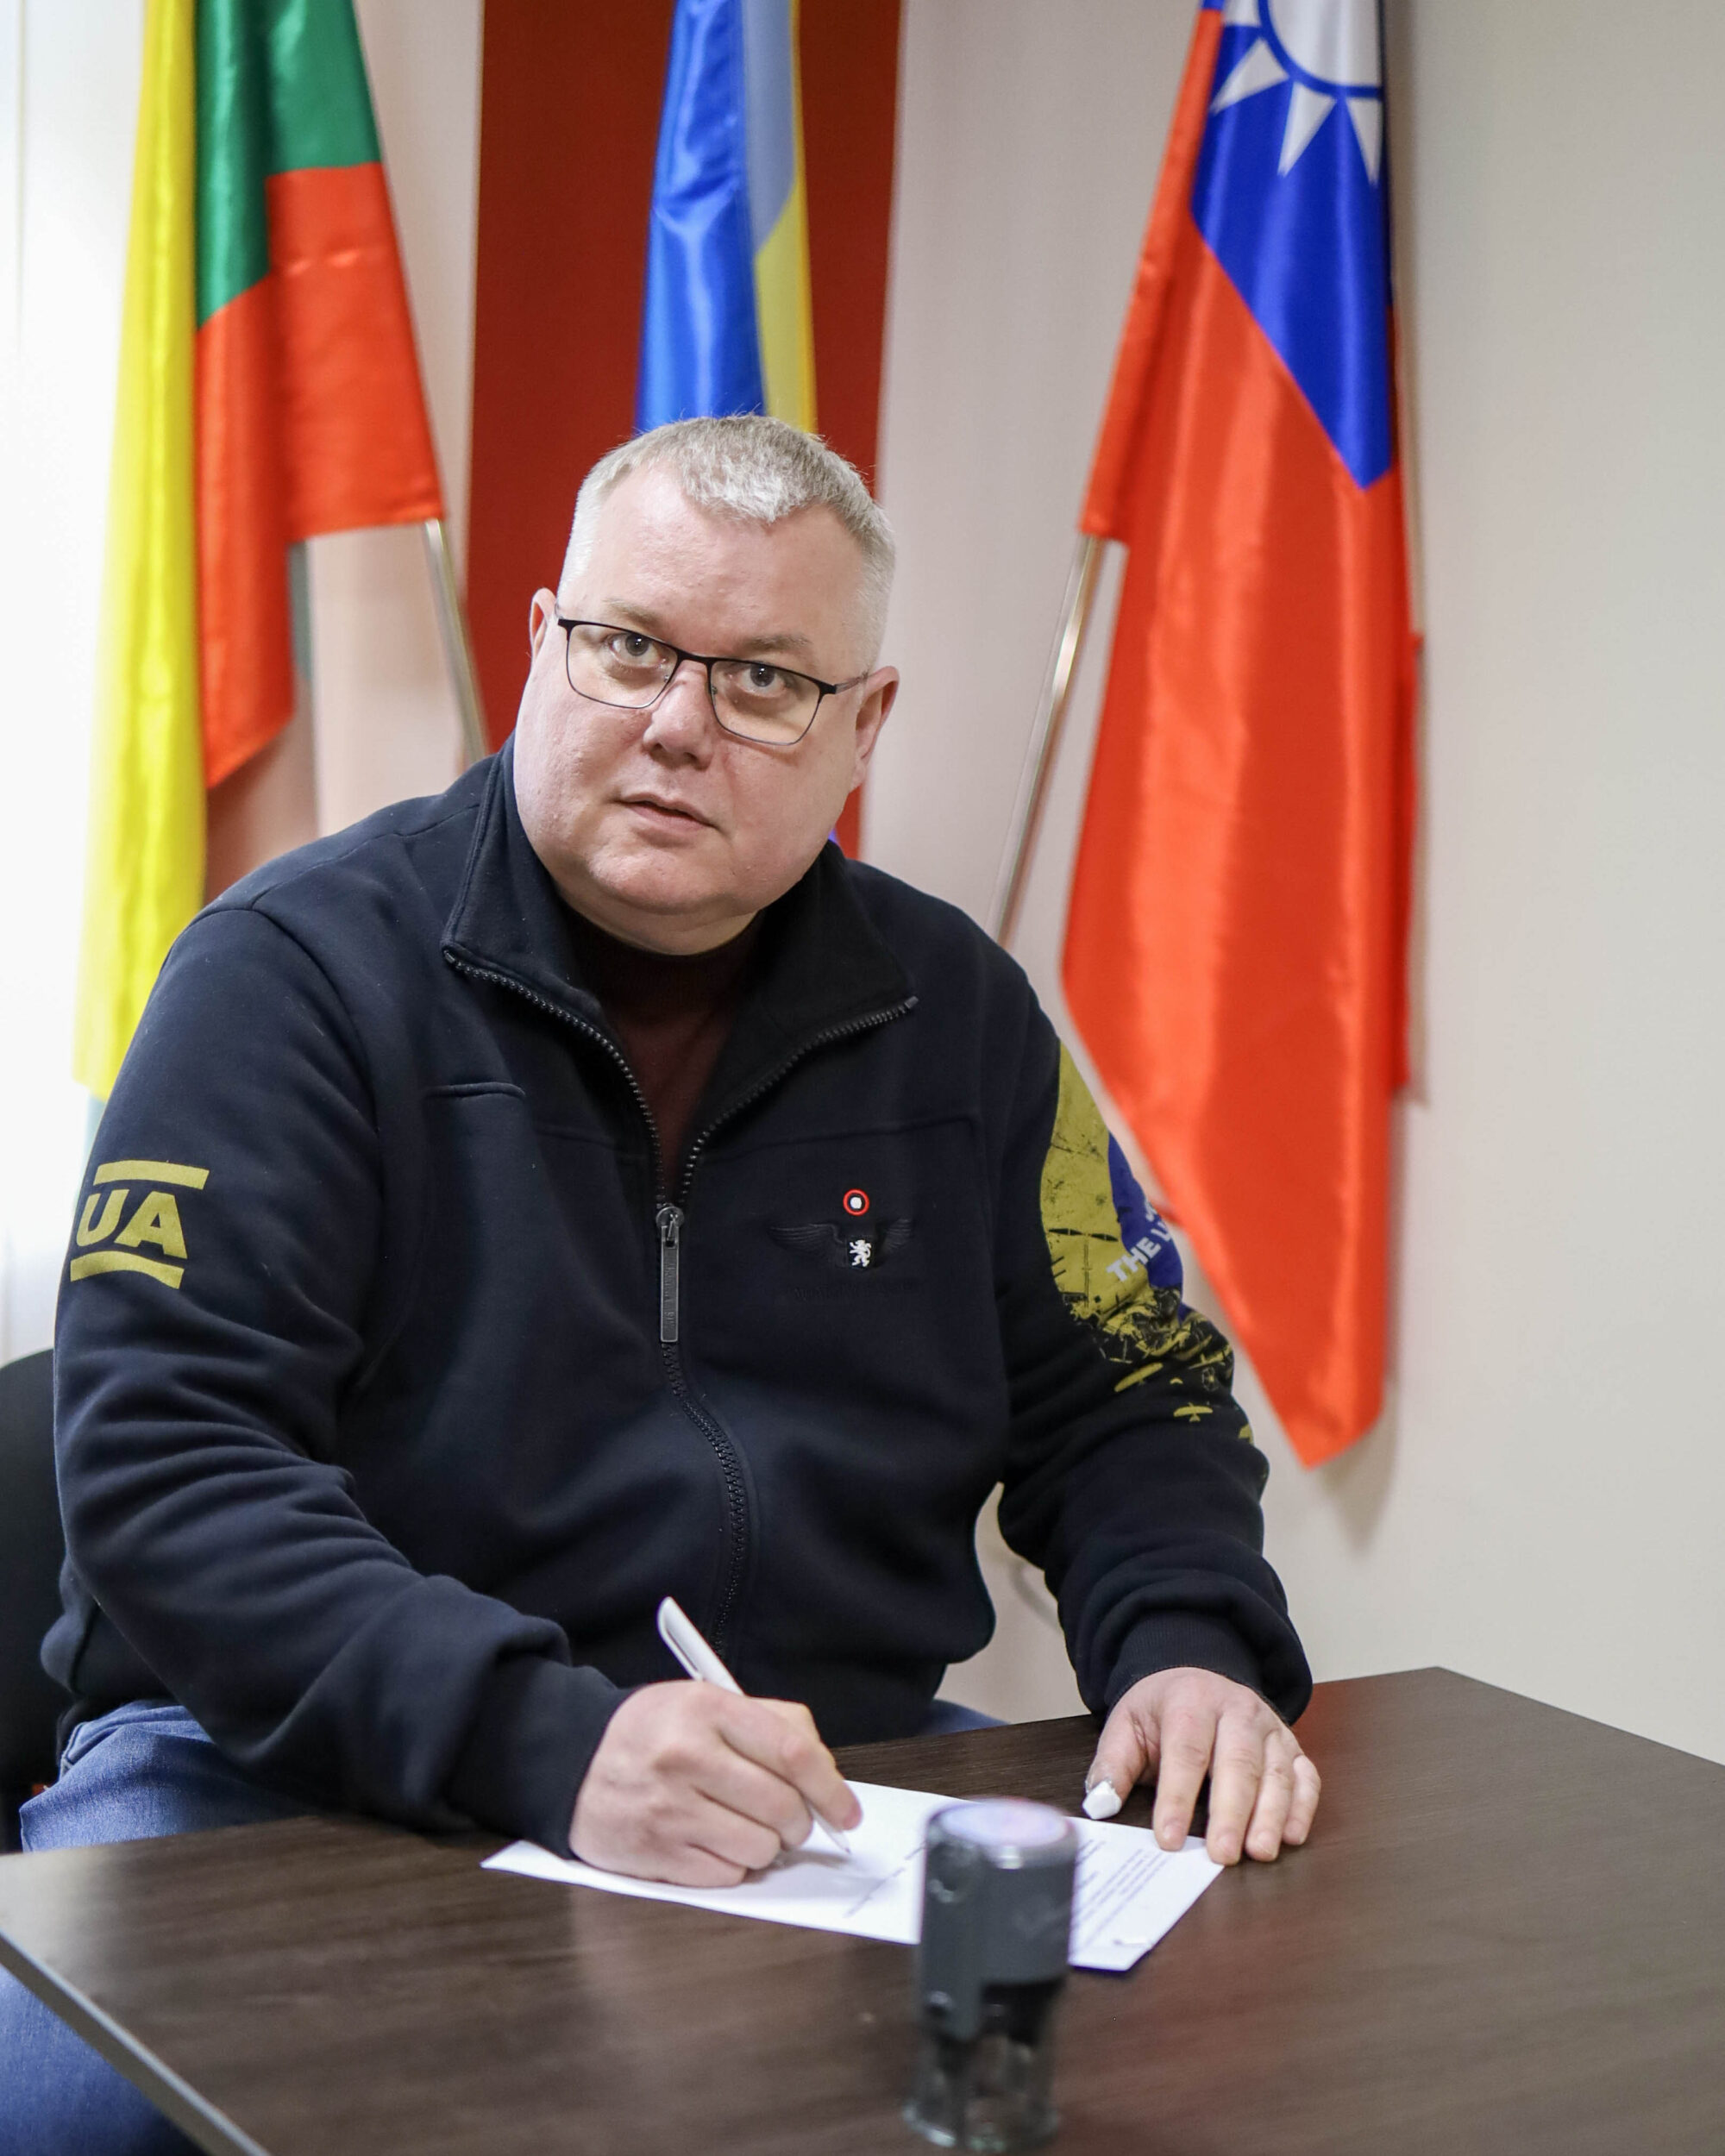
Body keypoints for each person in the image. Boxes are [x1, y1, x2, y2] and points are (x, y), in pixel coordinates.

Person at [5, 417, 1318, 2153]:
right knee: (83, 2117)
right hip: (273, 1755)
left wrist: (1191, 1646)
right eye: (628, 646)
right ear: (542, 639)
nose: (678, 723)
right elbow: (169, 1471)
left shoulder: (965, 1019)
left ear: (864, 725)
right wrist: (552, 1741)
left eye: (766, 678)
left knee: (1204, 2064)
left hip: (821, 1779)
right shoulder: (288, 977)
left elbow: (1130, 1388)